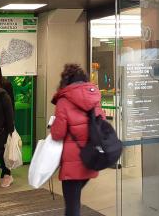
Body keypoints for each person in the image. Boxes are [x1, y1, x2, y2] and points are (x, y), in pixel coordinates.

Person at [50, 64, 105, 216]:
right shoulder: (94, 98)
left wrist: (53, 126)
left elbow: (58, 134)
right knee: (74, 201)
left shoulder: (63, 101)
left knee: (72, 206)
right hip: (90, 157)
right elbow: (101, 123)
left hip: (72, 162)